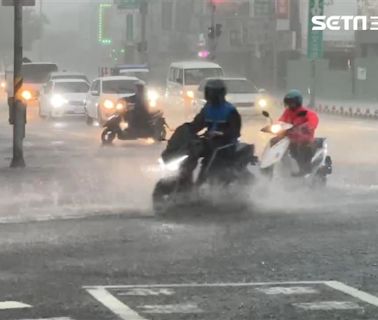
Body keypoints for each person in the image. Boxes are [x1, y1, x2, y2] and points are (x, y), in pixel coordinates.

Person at [185, 79, 242, 183]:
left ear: (219, 93)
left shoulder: (230, 110)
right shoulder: (207, 108)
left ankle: (205, 184)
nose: (210, 95)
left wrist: (220, 133)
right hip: (210, 142)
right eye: (208, 92)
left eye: (212, 92)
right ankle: (184, 180)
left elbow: (235, 131)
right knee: (190, 151)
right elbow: (197, 124)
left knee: (212, 160)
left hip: (226, 144)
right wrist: (185, 131)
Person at [279, 89, 319, 176]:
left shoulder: (305, 112)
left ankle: (303, 170)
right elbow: (281, 121)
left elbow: (313, 120)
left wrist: (308, 127)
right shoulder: (287, 112)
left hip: (304, 139)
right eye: (288, 102)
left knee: (301, 148)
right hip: (290, 139)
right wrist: (277, 127)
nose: (290, 105)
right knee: (275, 142)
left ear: (298, 102)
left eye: (291, 102)